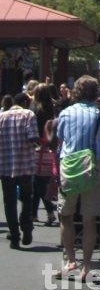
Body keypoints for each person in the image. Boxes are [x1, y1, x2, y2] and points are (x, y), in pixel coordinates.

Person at [56, 75, 100, 278]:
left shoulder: (66, 113)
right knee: (90, 219)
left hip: (70, 167)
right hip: (94, 166)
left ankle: (71, 260)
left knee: (66, 215)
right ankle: (86, 266)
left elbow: (61, 142)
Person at [0, 92, 40, 248]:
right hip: (24, 165)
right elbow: (32, 138)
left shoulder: (2, 117)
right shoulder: (28, 115)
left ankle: (14, 235)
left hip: (6, 166)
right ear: (24, 102)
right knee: (27, 198)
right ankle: (26, 226)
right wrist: (38, 142)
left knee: (9, 202)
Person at [32, 83, 57, 225]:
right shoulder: (51, 109)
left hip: (38, 147)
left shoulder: (37, 110)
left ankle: (49, 211)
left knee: (39, 181)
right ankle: (33, 214)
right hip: (49, 147)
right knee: (37, 182)